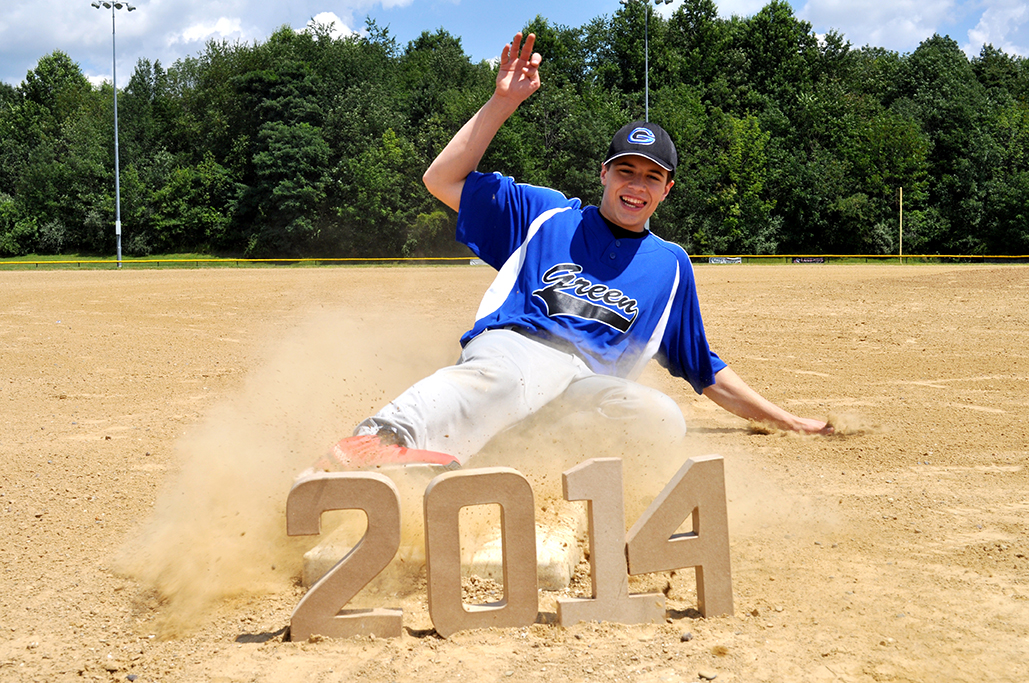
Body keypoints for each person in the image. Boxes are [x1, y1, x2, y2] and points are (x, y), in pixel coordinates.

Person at [316, 32, 831, 472]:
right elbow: (441, 178)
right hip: (515, 350)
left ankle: (509, 459)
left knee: (661, 418)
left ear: (667, 190)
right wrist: (504, 102)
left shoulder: (670, 266)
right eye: (626, 170)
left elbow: (704, 369)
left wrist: (787, 421)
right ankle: (380, 440)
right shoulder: (547, 215)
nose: (636, 185)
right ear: (604, 173)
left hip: (581, 390)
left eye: (652, 176)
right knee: (508, 377)